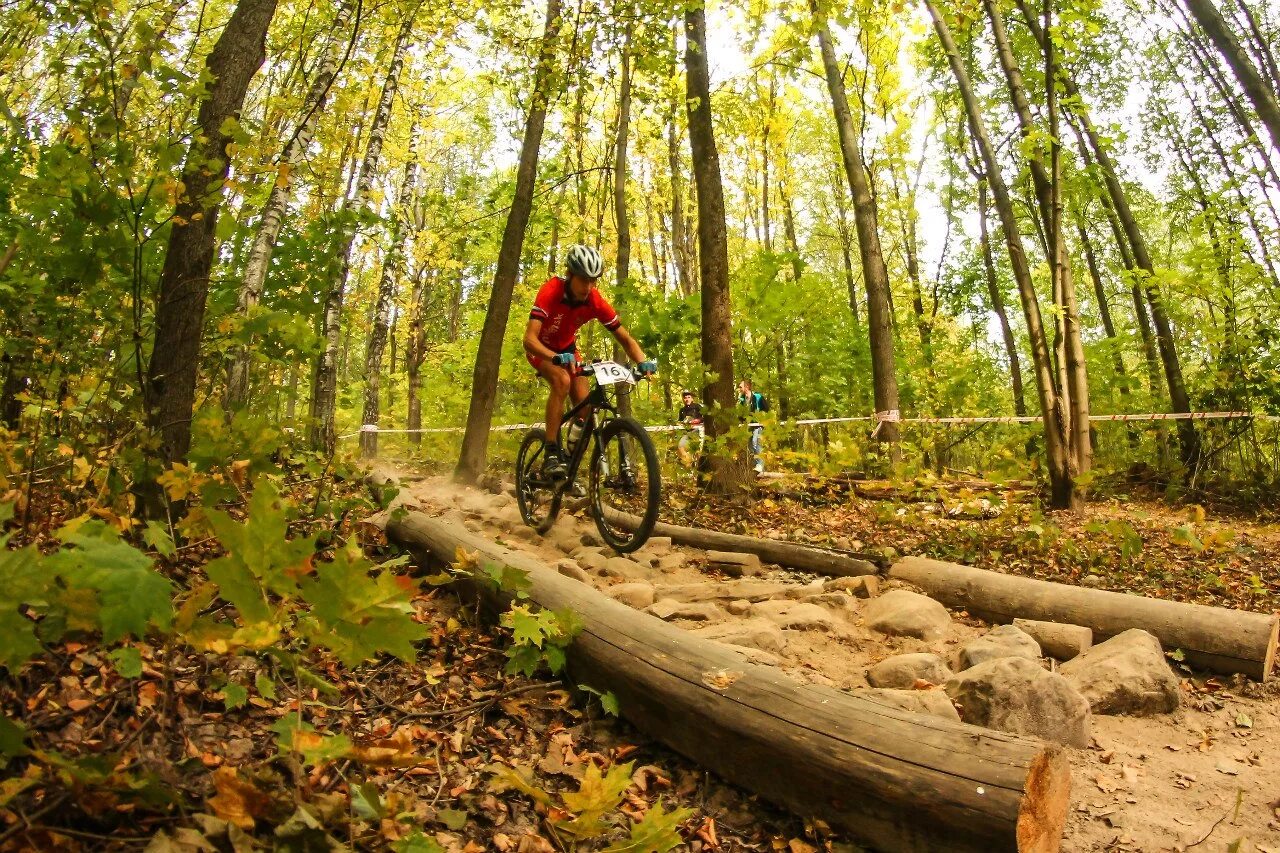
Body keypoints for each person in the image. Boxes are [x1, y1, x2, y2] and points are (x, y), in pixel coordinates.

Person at [523, 245, 655, 478]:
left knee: (585, 407)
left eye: (593, 280)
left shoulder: (594, 300)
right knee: (562, 380)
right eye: (584, 280)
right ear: (571, 275)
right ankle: (551, 453)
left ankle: (569, 465)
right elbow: (529, 339)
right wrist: (552, 357)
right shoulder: (551, 291)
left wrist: (642, 362)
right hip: (541, 350)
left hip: (568, 350)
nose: (588, 286)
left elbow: (625, 338)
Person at [737, 379, 767, 473]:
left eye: (740, 387)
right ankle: (755, 466)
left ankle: (760, 465)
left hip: (758, 424)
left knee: (756, 443)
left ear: (747, 387)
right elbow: (741, 413)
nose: (739, 388)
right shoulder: (742, 399)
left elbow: (766, 408)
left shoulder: (758, 397)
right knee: (750, 445)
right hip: (748, 425)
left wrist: (762, 419)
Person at [676, 389, 704, 467]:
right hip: (688, 433)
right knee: (680, 447)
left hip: (698, 431)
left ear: (692, 398)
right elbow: (679, 421)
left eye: (689, 397)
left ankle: (699, 466)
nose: (687, 399)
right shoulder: (682, 410)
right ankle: (690, 463)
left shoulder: (697, 407)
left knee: (698, 450)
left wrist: (698, 420)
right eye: (685, 397)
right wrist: (681, 423)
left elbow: (705, 417)